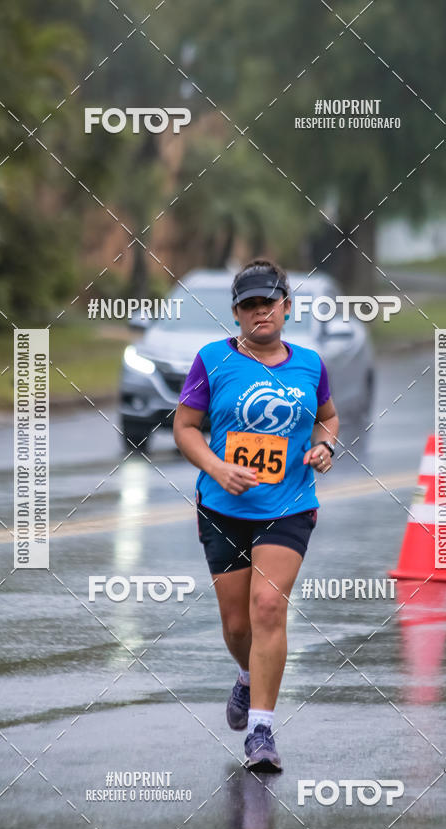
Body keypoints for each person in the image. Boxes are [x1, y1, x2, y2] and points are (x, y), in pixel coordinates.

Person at [173, 259, 339, 772]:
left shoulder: (310, 364)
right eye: (249, 305)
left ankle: (262, 732)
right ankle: (248, 675)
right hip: (223, 507)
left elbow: (328, 419)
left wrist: (324, 448)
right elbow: (185, 427)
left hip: (288, 506)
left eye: (268, 301)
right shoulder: (211, 360)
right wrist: (218, 469)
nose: (259, 311)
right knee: (237, 623)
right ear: (236, 314)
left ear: (286, 306)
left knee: (268, 607)